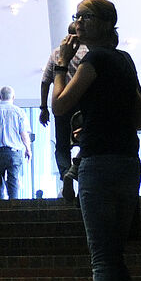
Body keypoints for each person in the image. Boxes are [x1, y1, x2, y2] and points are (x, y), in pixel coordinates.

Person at [50, 0, 141, 281]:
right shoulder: (124, 60)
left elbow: (60, 105)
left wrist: (62, 64)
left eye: (84, 16)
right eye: (75, 15)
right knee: (115, 257)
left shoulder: (93, 60)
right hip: (128, 162)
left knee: (102, 260)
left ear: (106, 23)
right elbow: (140, 116)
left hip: (97, 164)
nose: (76, 21)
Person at [40, 16, 83, 200]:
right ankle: (77, 173)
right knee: (87, 143)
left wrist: (43, 107)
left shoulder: (57, 53)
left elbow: (45, 81)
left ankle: (66, 172)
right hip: (84, 105)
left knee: (62, 146)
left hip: (62, 104)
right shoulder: (89, 53)